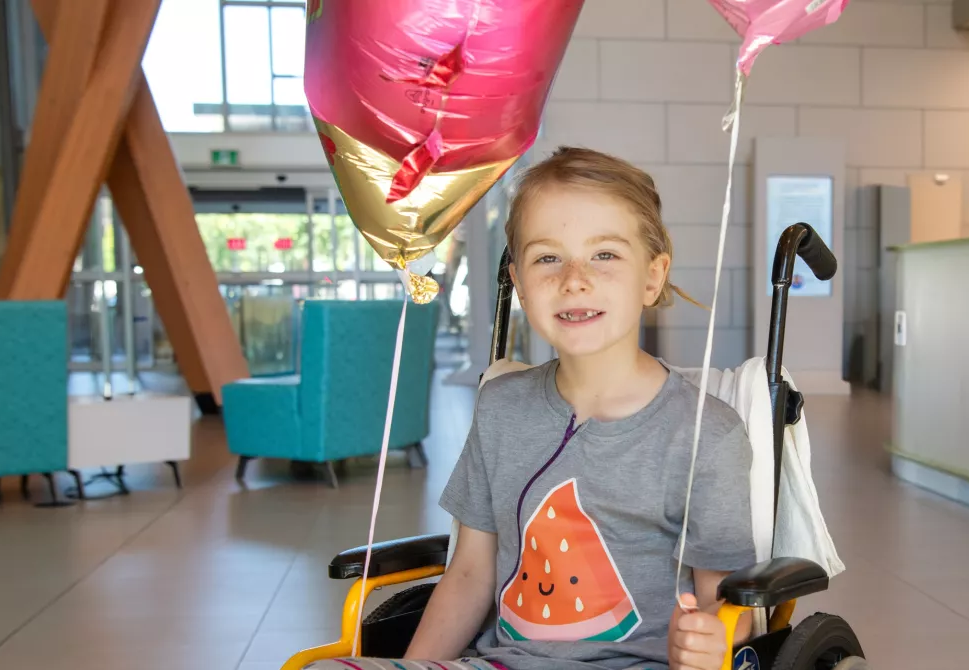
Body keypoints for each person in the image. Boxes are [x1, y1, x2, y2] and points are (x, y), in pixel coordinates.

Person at [308, 147, 755, 670]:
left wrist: (714, 639)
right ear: (519, 282)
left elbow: (727, 602)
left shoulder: (706, 433)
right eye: (547, 257)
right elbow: (472, 573)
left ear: (653, 277)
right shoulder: (501, 407)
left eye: (605, 254)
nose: (573, 279)